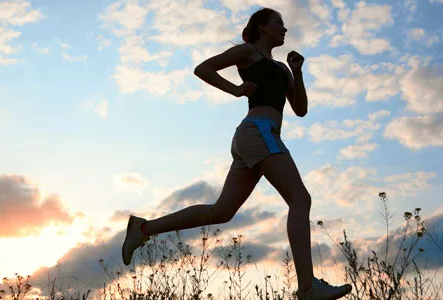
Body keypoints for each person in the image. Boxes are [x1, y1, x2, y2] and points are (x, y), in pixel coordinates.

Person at [122, 7, 352, 300]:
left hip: (255, 138)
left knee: (222, 211)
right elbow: (203, 68)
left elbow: (301, 109)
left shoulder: (281, 68)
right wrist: (235, 89)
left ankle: (142, 228)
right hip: (258, 133)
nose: (285, 29)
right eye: (279, 23)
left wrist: (297, 71)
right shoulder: (248, 52)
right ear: (262, 27)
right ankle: (307, 287)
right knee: (300, 199)